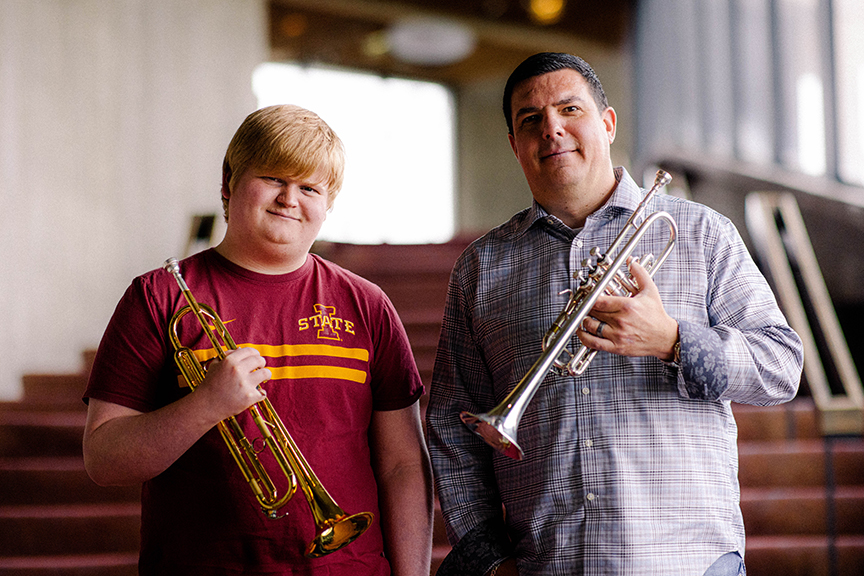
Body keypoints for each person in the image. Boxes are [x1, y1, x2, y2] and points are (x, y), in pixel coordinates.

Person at [425, 53, 803, 576]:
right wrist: (489, 561)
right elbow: (452, 428)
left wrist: (672, 339)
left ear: (606, 123)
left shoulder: (701, 232)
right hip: (549, 564)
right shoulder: (482, 266)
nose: (551, 128)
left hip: (689, 562)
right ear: (515, 146)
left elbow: (780, 368)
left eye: (568, 109)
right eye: (529, 120)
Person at [83, 104, 434, 576]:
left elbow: (402, 465)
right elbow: (104, 460)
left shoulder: (367, 304)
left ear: (327, 205)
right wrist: (205, 405)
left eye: (309, 187)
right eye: (274, 178)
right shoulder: (158, 296)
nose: (290, 198)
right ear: (229, 184)